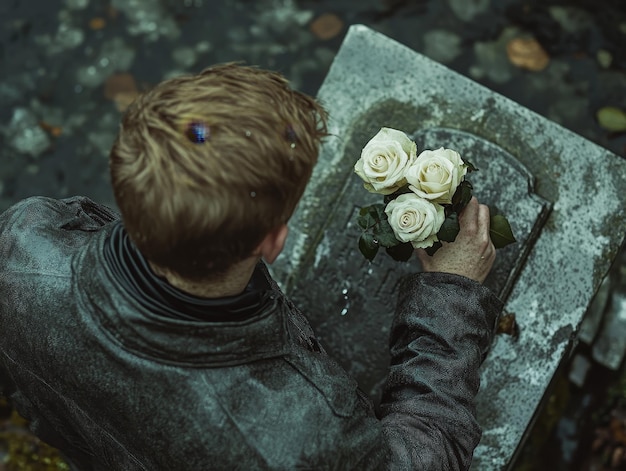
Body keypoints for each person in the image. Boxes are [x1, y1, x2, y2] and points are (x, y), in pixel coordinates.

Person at [0, 63, 502, 470]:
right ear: (273, 239)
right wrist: (450, 295)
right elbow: (423, 456)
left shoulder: (21, 242)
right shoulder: (295, 438)